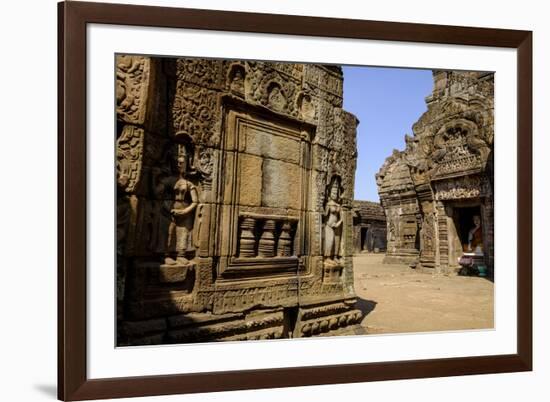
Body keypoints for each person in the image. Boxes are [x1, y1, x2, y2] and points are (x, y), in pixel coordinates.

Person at [323, 177, 343, 261]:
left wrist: (338, 223)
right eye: (333, 192)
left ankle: (335, 256)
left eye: (336, 192)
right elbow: (324, 215)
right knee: (330, 241)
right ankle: (327, 257)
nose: (334, 194)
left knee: (336, 242)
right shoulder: (328, 204)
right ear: (330, 193)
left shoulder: (339, 206)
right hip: (329, 225)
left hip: (337, 225)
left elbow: (342, 218)